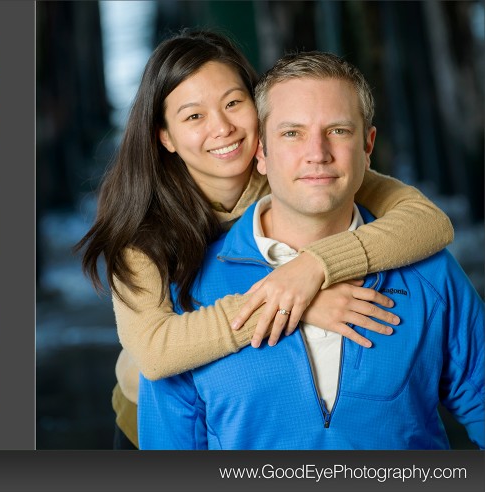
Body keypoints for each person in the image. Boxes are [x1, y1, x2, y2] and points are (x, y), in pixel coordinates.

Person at [75, 30, 454, 448]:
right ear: (165, 136)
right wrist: (292, 302)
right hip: (151, 416)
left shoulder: (301, 171)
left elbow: (427, 222)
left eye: (233, 103)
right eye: (193, 116)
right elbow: (155, 351)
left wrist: (315, 267)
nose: (222, 128)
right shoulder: (142, 230)